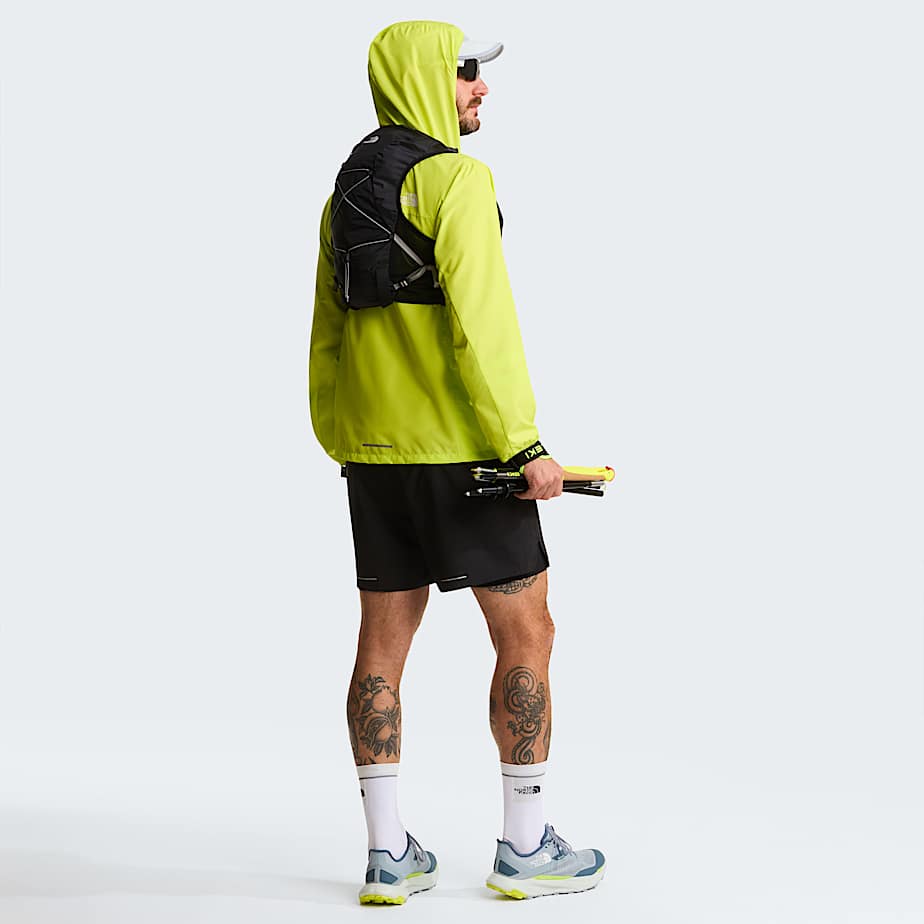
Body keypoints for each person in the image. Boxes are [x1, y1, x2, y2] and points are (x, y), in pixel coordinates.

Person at [308, 20, 605, 905]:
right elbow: (485, 321)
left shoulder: (345, 192)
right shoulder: (458, 180)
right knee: (527, 634)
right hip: (472, 461)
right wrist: (525, 445)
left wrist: (345, 438)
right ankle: (526, 847)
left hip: (375, 459)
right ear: (425, 77)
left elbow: (327, 334)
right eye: (466, 70)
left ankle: (386, 856)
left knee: (380, 644)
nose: (480, 87)